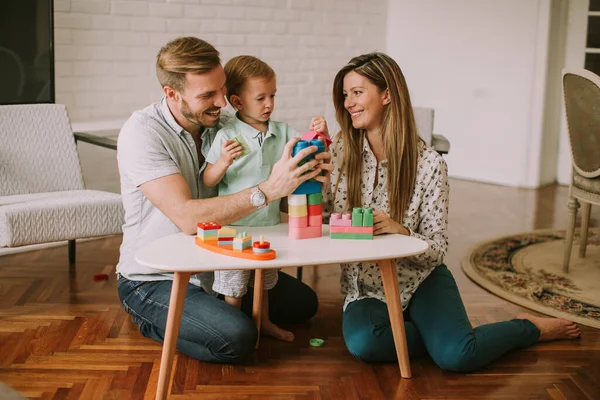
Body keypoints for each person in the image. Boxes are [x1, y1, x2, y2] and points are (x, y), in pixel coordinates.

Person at [323, 52, 581, 372]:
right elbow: (322, 224)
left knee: (458, 357)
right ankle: (444, 337)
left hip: (421, 280)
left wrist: (400, 230)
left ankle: (526, 328)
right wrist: (308, 181)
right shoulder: (339, 152)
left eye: (357, 92)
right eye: (345, 94)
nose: (348, 103)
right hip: (367, 290)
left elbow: (438, 249)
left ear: (387, 94)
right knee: (366, 343)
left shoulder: (430, 163)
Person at [115, 36, 332, 364]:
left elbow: (278, 167)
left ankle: (211, 303)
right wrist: (269, 189)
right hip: (155, 276)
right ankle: (152, 317)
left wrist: (310, 167)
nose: (222, 101)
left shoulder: (226, 125)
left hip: (214, 261)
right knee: (237, 337)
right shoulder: (142, 133)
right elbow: (188, 218)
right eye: (207, 95)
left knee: (304, 304)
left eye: (222, 90)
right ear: (171, 94)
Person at [202, 55, 329, 343]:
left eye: (272, 95)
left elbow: (309, 148)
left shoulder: (282, 131)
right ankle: (234, 329)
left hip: (269, 226)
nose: (269, 103)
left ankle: (264, 322)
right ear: (237, 101)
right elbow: (208, 179)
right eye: (260, 98)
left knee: (265, 282)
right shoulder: (227, 135)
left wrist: (321, 133)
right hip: (233, 229)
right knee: (234, 287)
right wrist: (222, 161)